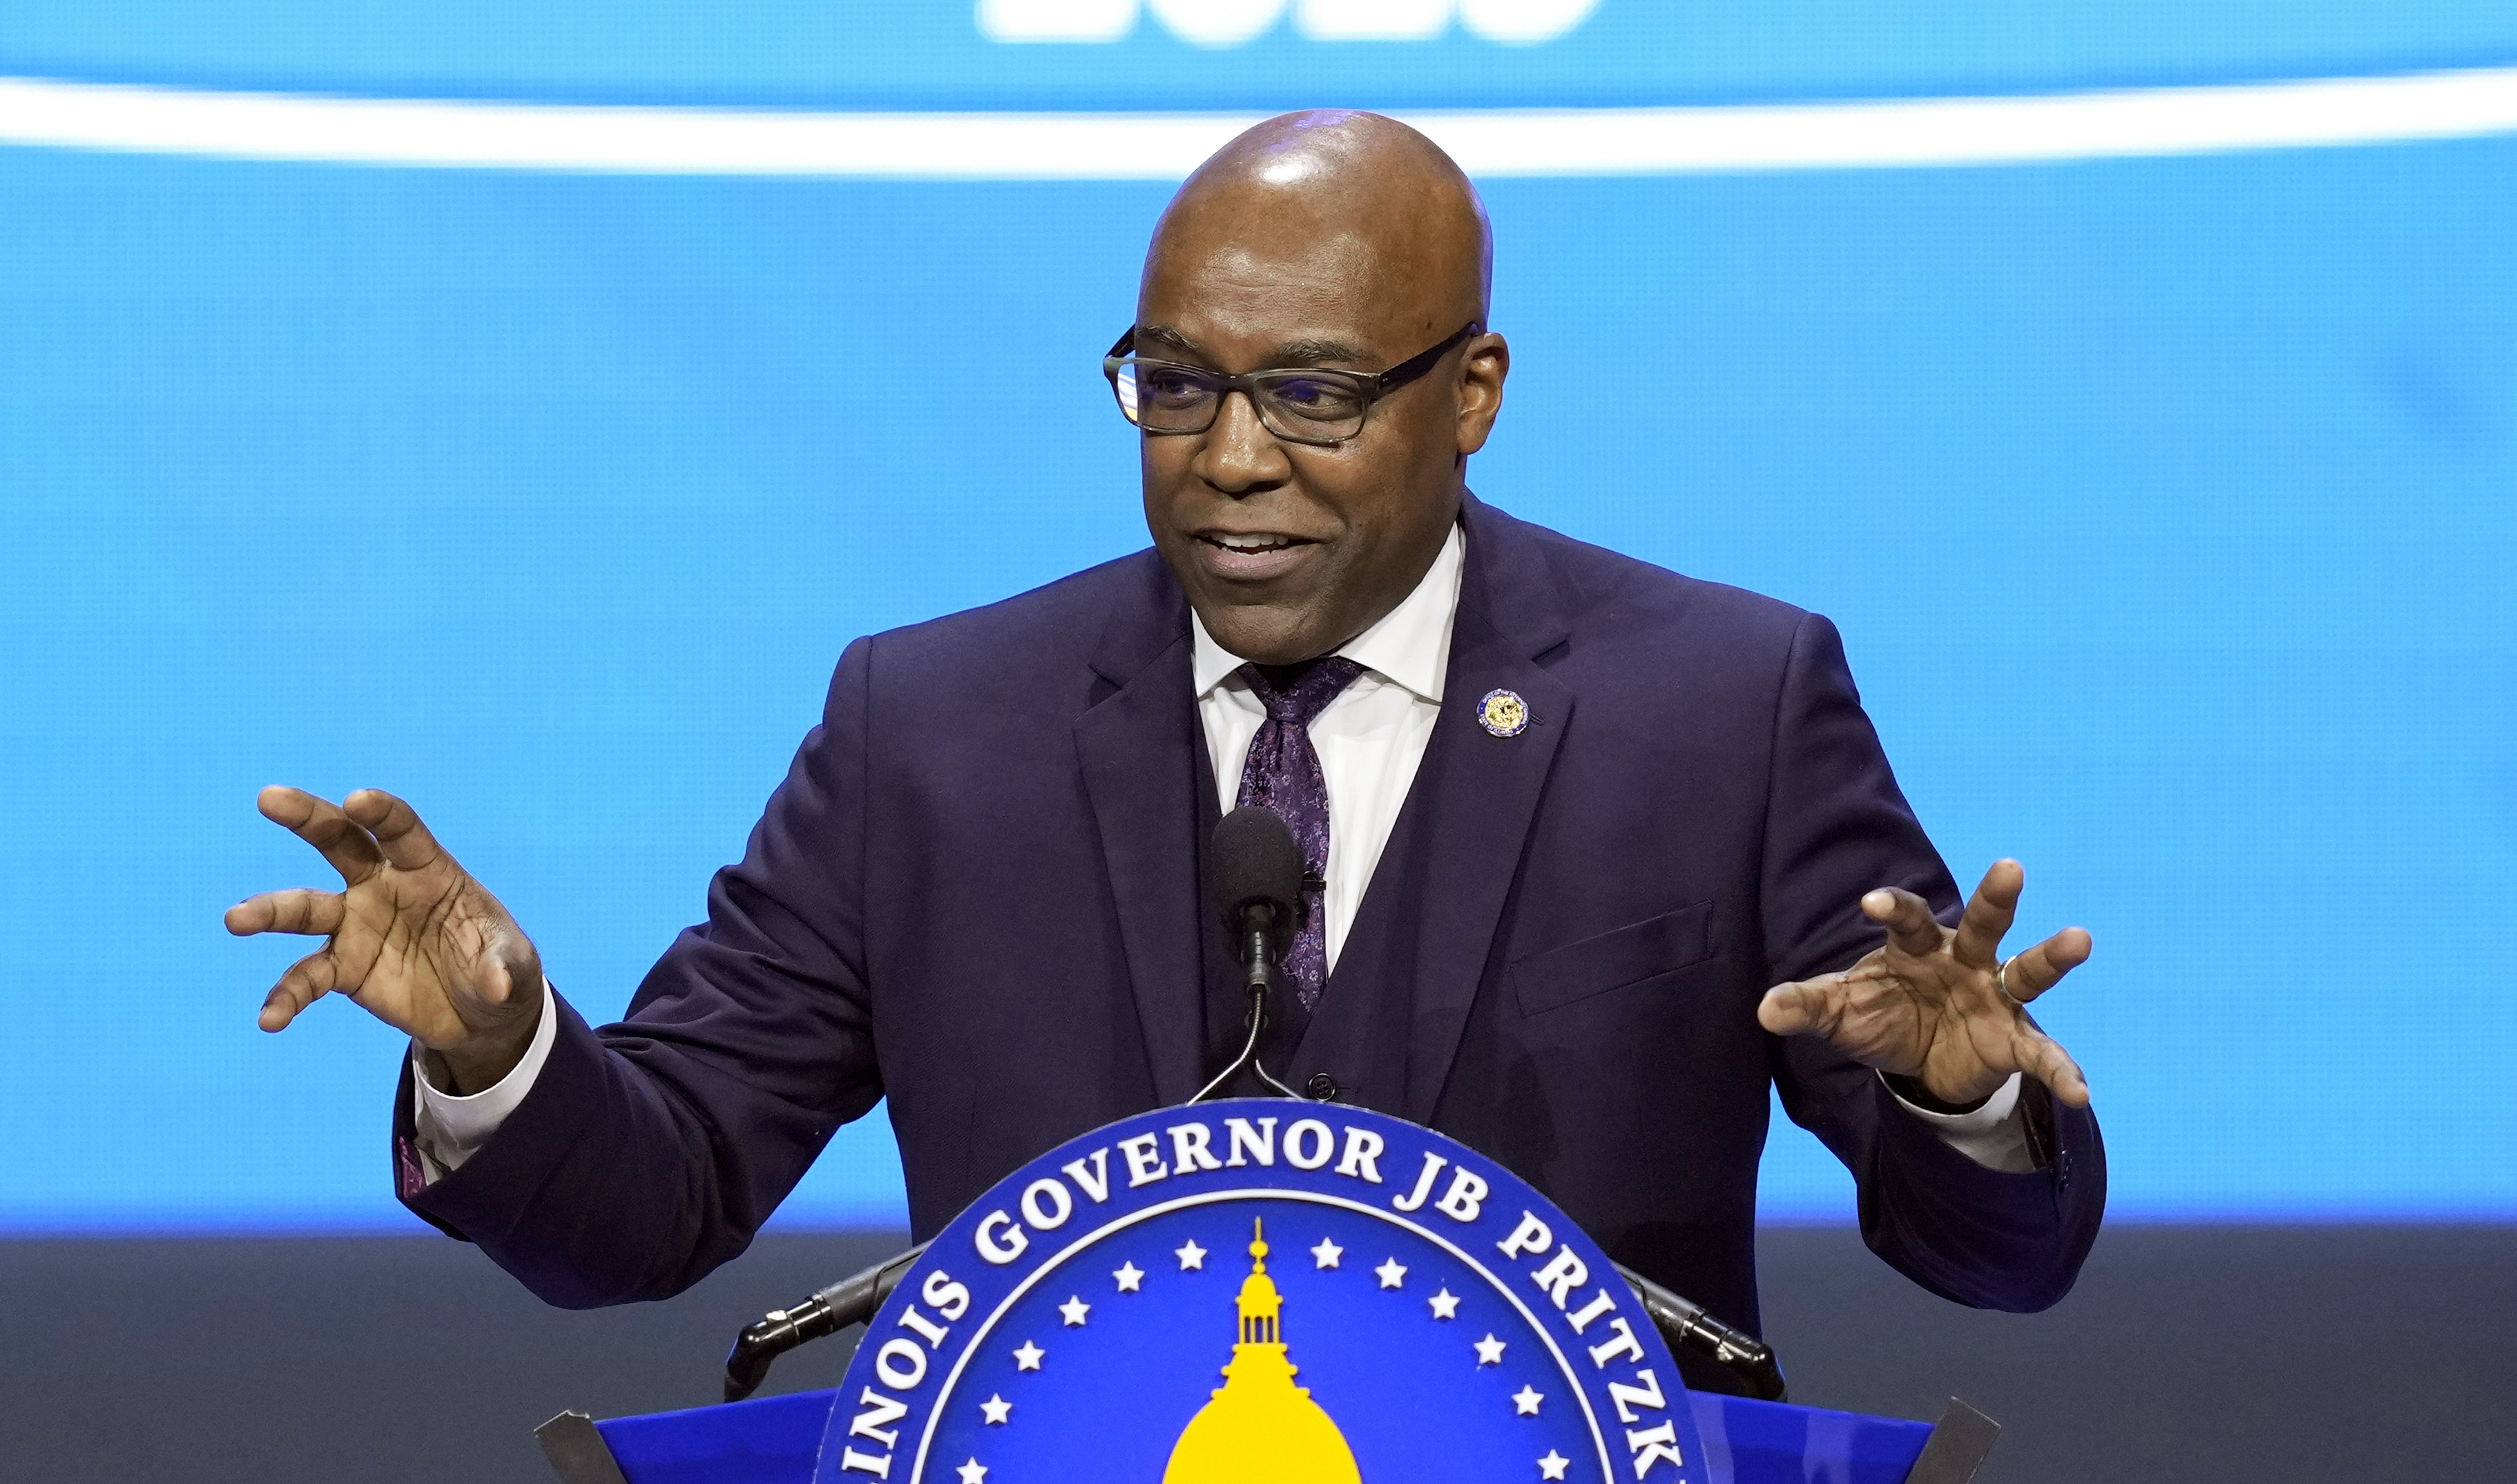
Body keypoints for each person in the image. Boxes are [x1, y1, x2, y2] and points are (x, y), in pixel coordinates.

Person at [226, 110, 2101, 1346]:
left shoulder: (1727, 704)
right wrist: (501, 1054)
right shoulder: (932, 728)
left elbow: (1995, 1257)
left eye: (1310, 394)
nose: (1227, 464)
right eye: (1173, 388)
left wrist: (1968, 1096)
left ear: (1475, 397)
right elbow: (650, 1205)